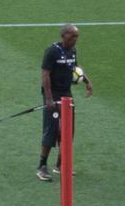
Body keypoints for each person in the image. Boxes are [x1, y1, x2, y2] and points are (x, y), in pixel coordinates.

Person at [38, 25, 93, 181]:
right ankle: (42, 166)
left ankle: (61, 165)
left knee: (68, 131)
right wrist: (48, 98)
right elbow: (45, 75)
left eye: (77, 36)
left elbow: (75, 68)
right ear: (64, 35)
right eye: (73, 36)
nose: (76, 39)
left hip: (67, 95)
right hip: (53, 95)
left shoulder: (72, 51)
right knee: (51, 130)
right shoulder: (52, 51)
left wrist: (87, 82)